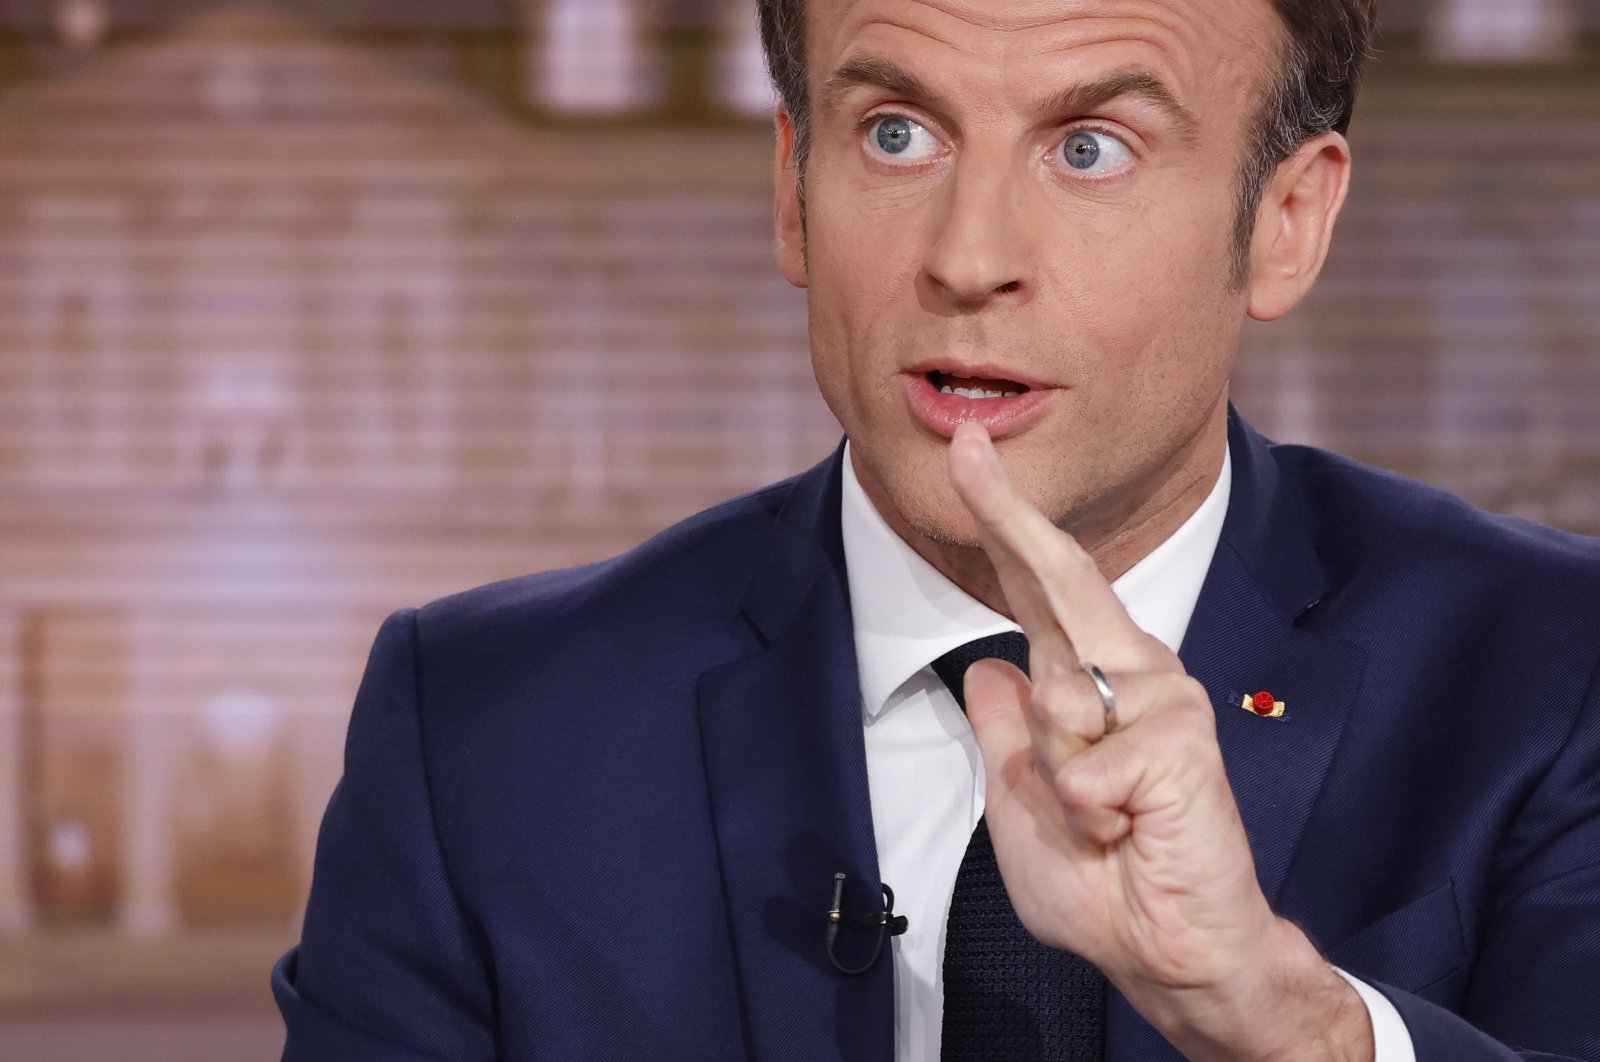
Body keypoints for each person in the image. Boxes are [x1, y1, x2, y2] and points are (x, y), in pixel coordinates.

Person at [272, 0, 1600, 1057]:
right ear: (793, 188)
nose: (969, 257)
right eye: (898, 131)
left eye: (1090, 149)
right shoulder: (481, 729)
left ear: (1288, 221)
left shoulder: (1553, 672)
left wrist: (1291, 1030)